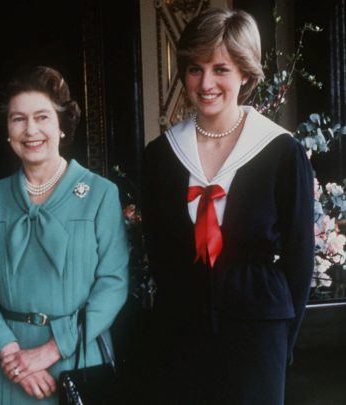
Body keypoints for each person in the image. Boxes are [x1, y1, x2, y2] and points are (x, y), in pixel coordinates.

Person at [142, 8, 314, 404]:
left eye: (221, 69)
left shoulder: (281, 152)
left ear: (245, 75)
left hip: (258, 336)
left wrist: (280, 340)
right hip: (182, 336)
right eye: (194, 69)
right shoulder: (160, 157)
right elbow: (160, 256)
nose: (206, 83)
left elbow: (300, 259)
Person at [0, 66, 129, 404]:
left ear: (62, 125)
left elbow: (113, 284)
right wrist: (12, 357)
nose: (30, 130)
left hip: (78, 361)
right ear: (7, 131)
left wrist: (50, 351)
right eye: (18, 119)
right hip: (8, 364)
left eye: (42, 117)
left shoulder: (100, 194)